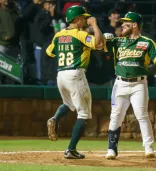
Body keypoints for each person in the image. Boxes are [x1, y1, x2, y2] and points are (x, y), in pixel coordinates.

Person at [103, 12, 156, 159]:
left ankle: (148, 147)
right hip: (120, 83)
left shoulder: (146, 42)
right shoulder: (118, 41)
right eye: (123, 23)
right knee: (115, 116)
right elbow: (98, 44)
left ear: (135, 25)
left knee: (142, 115)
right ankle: (111, 149)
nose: (122, 25)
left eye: (126, 23)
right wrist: (103, 37)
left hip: (139, 84)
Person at [46, 5, 103, 159]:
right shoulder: (80, 34)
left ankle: (55, 118)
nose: (85, 20)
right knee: (84, 113)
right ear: (77, 20)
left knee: (69, 104)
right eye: (83, 18)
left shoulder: (59, 35)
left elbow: (49, 52)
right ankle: (71, 149)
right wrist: (95, 26)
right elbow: (98, 44)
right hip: (75, 73)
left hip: (61, 75)